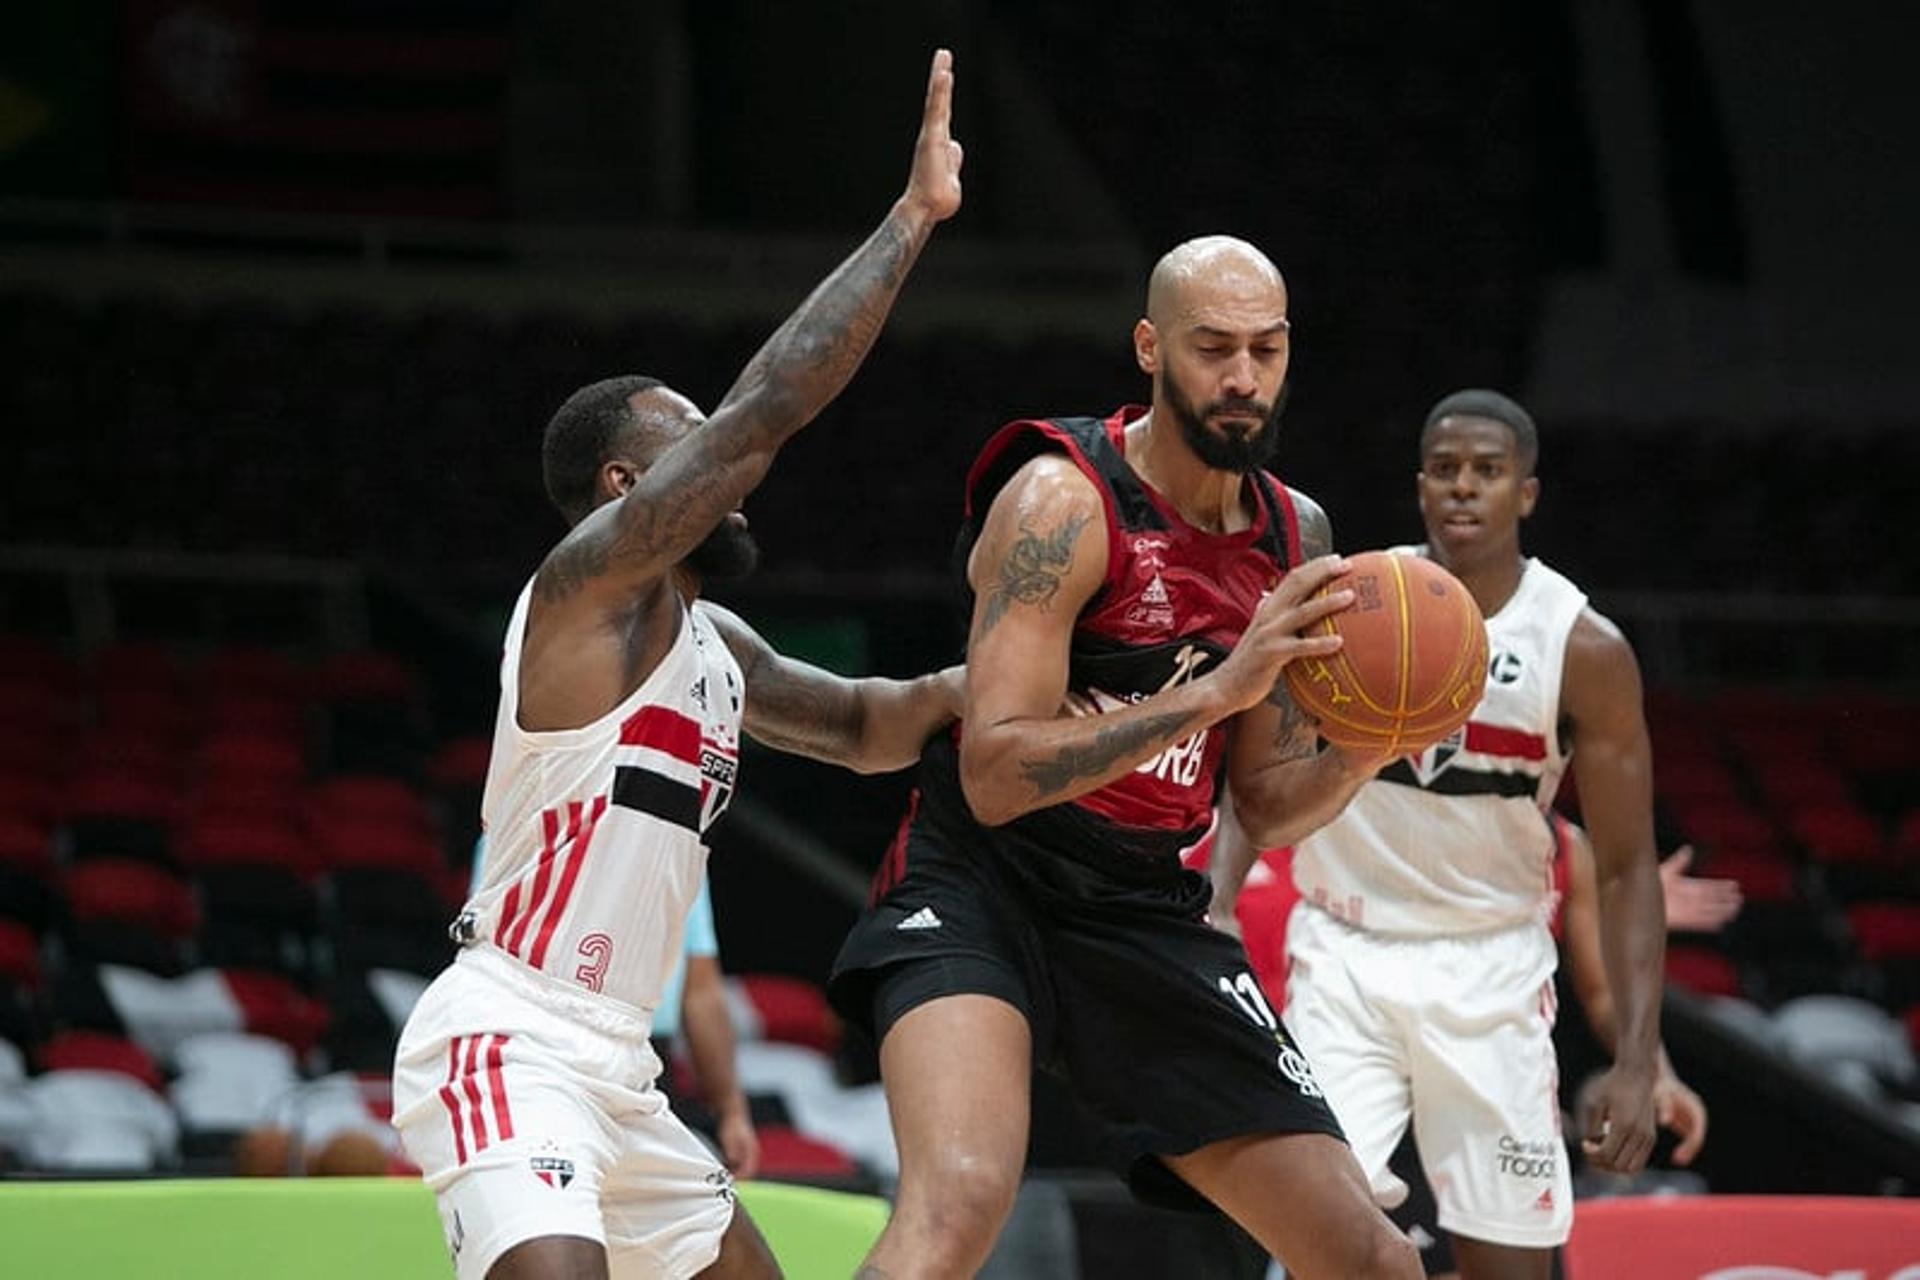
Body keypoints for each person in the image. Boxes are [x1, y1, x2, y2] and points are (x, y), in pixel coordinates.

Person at [390, 49, 965, 1280]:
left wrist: (1059, 673)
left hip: (622, 1068)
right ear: (624, 487)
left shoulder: (719, 651)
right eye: (693, 446)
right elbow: (770, 408)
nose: (731, 466)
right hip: (511, 1030)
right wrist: (910, 221)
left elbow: (874, 724)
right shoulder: (582, 595)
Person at [829, 235, 1421, 1280]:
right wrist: (1210, 693)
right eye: (1212, 348)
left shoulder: (1299, 534)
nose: (1242, 378)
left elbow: (1263, 802)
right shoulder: (1061, 502)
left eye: (1266, 350)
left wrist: (1368, 748)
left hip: (1144, 904)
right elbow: (994, 773)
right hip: (982, 881)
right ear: (1150, 347)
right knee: (959, 1205)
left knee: (1373, 1257)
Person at [1214, 389, 1670, 1280]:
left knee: (1508, 1265)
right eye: (1447, 470)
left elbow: (1624, 867)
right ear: (1421, 484)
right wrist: (1218, 905)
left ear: (1526, 494)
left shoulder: (1581, 646)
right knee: (1302, 1244)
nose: (1465, 489)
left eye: (1488, 472)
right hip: (1343, 952)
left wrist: (1638, 1059)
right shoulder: (1344, 601)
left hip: (1490, 968)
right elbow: (1253, 779)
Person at [1202, 806, 1730, 1277]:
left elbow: (1602, 993)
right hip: (1345, 1093)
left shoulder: (1566, 848)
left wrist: (1652, 1068)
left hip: (1488, 1098)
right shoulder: (1361, 823)